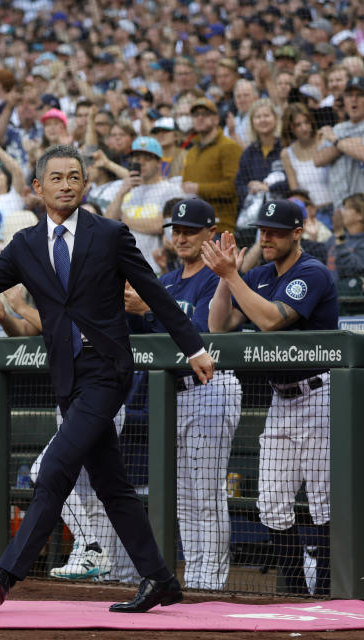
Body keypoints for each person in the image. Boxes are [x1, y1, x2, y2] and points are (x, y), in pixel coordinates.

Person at [0, 144, 214, 613]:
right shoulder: (24, 246)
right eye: (56, 178)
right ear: (38, 188)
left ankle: (5, 575)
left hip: (107, 371)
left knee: (55, 467)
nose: (66, 184)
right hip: (66, 377)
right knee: (112, 484)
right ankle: (160, 578)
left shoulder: (110, 233)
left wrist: (195, 348)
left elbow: (154, 294)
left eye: (74, 177)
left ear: (83, 185)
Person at [203, 199, 338, 596]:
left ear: (298, 233)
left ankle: (328, 590)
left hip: (319, 394)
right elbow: (218, 326)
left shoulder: (311, 272)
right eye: (263, 229)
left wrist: (234, 275)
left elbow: (271, 320)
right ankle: (294, 590)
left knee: (322, 503)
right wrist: (224, 277)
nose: (267, 237)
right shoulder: (259, 273)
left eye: (277, 230)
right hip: (281, 399)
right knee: (272, 503)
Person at [125, 198, 242, 590]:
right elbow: (150, 340)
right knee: (182, 497)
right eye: (176, 230)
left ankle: (211, 582)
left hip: (209, 387)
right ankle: (195, 577)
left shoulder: (217, 275)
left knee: (206, 491)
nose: (181, 237)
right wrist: (133, 312)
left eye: (190, 230)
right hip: (171, 392)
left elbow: (204, 331)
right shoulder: (168, 280)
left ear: (211, 231)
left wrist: (149, 310)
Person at [106, 137, 184, 273]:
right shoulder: (125, 189)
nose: (141, 163)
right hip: (122, 268)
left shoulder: (171, 189)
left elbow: (160, 225)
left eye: (147, 159)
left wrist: (123, 221)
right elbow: (107, 223)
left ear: (159, 163)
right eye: (136, 159)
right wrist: (122, 192)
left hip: (155, 267)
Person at [315, 77, 364, 211]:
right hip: (341, 207)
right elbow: (318, 159)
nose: (354, 100)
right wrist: (350, 143)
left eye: (360, 95)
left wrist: (336, 141)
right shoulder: (339, 129)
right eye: (349, 95)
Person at [182, 97, 243, 234]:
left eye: (205, 114)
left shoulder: (229, 147)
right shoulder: (191, 152)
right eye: (196, 115)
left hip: (220, 228)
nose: (200, 118)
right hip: (192, 225)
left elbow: (233, 187)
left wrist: (199, 189)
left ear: (216, 119)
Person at [234, 99, 287, 228]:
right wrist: (251, 189)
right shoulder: (249, 153)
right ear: (252, 122)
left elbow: (293, 181)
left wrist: (268, 188)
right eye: (258, 117)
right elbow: (239, 183)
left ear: (275, 119)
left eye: (267, 115)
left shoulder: (285, 147)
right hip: (256, 213)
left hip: (283, 210)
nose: (263, 120)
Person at [280, 104, 332, 223]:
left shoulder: (323, 139)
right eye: (298, 125)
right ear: (290, 128)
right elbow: (296, 192)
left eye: (306, 122)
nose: (304, 128)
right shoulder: (286, 154)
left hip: (334, 208)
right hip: (311, 216)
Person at [325, 193, 364, 280]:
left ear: (360, 214)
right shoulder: (333, 238)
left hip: (352, 292)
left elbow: (351, 271)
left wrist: (340, 235)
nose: (341, 212)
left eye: (346, 208)